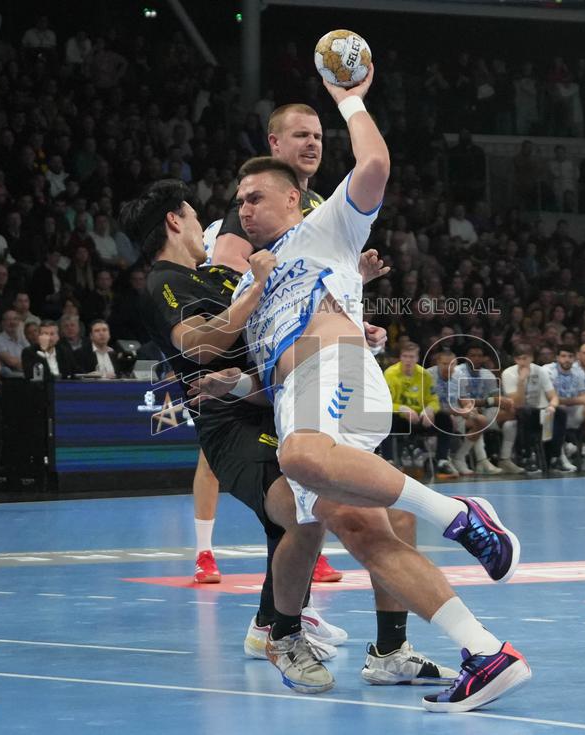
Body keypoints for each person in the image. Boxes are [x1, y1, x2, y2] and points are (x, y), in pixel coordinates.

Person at [224, 67, 528, 711]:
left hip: (329, 379)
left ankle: (461, 517)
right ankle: (485, 653)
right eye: (240, 199)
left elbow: (376, 165)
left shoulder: (322, 226)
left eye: (254, 197)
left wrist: (350, 101)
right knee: (355, 530)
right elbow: (264, 350)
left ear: (290, 201)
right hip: (303, 393)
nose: (243, 207)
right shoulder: (256, 279)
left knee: (298, 458)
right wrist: (237, 373)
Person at [124, 178, 456, 689]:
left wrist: (350, 308)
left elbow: (282, 325)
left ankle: (388, 649)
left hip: (276, 405)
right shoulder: (164, 282)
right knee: (310, 513)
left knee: (381, 514)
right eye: (193, 216)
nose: (202, 226)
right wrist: (256, 286)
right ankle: (281, 633)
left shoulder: (218, 275)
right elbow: (202, 347)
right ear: (174, 220)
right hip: (233, 427)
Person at [193, 102, 337, 584]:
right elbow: (225, 271)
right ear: (274, 143)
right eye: (300, 135)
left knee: (298, 464)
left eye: (317, 135)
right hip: (249, 348)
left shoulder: (316, 206)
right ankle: (205, 551)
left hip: (292, 352)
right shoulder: (258, 201)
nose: (312, 143)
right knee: (229, 458)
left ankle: (290, 594)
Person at [381, 342, 458, 477]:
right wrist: (402, 409)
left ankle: (442, 460)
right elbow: (384, 403)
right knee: (384, 418)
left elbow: (434, 400)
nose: (408, 360)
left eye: (411, 357)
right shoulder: (390, 374)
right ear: (400, 357)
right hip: (400, 418)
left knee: (445, 419)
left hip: (420, 418)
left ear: (417, 358)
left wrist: (429, 410)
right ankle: (389, 460)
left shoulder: (424, 375)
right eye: (405, 356)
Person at [500, 343, 565, 472]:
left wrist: (552, 405)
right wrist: (521, 381)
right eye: (519, 359)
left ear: (532, 358)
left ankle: (554, 457)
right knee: (525, 412)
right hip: (517, 411)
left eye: (526, 358)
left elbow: (553, 396)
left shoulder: (540, 371)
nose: (523, 362)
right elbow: (517, 403)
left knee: (559, 413)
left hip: (538, 410)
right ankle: (527, 456)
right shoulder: (508, 373)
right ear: (515, 360)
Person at [546, 345, 585, 471]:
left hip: (573, 412)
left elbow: (583, 395)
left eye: (570, 357)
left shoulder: (578, 372)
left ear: (574, 358)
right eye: (563, 356)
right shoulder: (548, 371)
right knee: (559, 410)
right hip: (552, 414)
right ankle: (560, 457)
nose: (567, 360)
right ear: (557, 358)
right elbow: (551, 399)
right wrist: (578, 400)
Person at [447, 343, 505, 475]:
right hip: (459, 411)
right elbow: (458, 400)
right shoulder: (458, 371)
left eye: (479, 356)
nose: (476, 359)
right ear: (466, 357)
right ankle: (481, 460)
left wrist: (484, 403)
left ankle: (499, 460)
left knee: (508, 415)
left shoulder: (487, 374)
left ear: (484, 358)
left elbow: (496, 398)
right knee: (479, 419)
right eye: (472, 355)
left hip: (479, 409)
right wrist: (478, 404)